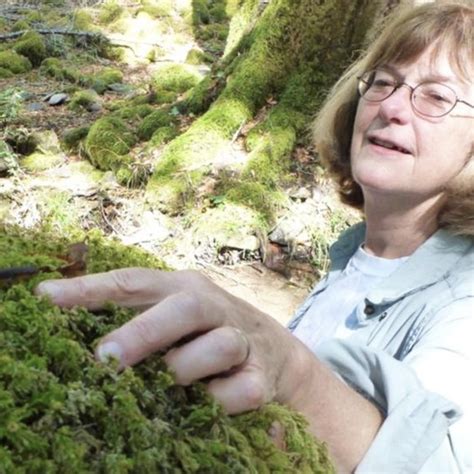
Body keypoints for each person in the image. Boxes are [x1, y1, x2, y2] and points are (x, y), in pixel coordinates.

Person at [36, 2, 473, 472]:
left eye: (434, 97)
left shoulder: (462, 302)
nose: (390, 107)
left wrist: (294, 372)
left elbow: (442, 460)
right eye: (384, 81)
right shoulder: (357, 258)